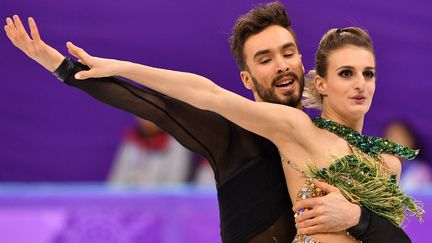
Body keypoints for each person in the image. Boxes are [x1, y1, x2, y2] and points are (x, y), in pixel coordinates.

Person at [4, 2, 416, 242]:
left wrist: (357, 219)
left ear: (304, 65)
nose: (282, 65)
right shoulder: (234, 132)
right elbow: (162, 103)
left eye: (287, 52)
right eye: (265, 59)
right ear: (247, 78)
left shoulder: (336, 140)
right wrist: (64, 67)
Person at [383, 119, 432, 191]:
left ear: (410, 141)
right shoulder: (377, 167)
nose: (395, 142)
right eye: (390, 136)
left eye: (400, 137)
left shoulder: (421, 171)